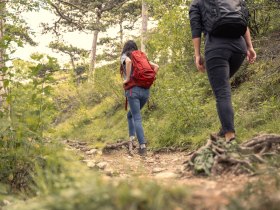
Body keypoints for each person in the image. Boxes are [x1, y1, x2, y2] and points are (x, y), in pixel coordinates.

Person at [189, 0, 257, 142]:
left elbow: (195, 29)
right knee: (223, 88)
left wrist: (197, 55)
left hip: (216, 47)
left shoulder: (197, 2)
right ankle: (224, 128)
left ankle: (229, 137)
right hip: (239, 48)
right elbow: (244, 22)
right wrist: (250, 47)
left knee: (222, 91)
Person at [120, 40, 159, 155]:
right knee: (130, 115)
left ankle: (142, 147)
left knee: (136, 117)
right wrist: (148, 80)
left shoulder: (125, 56)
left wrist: (127, 79)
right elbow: (156, 66)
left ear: (125, 48)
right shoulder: (141, 57)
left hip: (133, 91)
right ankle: (132, 140)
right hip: (145, 92)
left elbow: (127, 62)